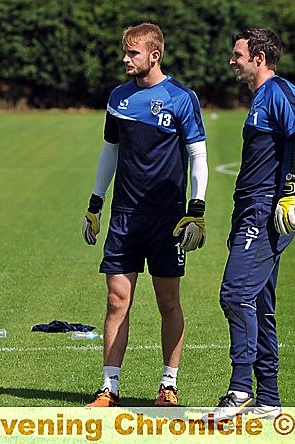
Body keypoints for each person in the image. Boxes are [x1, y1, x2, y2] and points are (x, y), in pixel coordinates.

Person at [82, 23, 208, 407]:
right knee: (117, 299)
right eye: (125, 51)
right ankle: (110, 387)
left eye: (132, 53)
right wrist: (95, 201)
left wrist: (196, 209)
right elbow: (110, 151)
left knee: (167, 301)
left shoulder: (181, 98)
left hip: (167, 218)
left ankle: (168, 385)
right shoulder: (118, 98)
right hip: (124, 215)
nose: (125, 59)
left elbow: (197, 155)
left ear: (154, 56)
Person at [214, 28, 295, 418]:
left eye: (237, 54)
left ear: (258, 57)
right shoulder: (259, 98)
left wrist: (292, 190)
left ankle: (240, 391)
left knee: (234, 294)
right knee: (258, 302)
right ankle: (269, 399)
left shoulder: (280, 91)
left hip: (264, 211)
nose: (232, 60)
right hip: (248, 211)